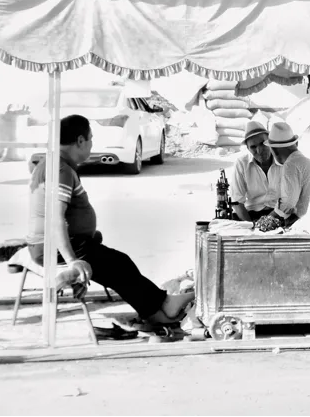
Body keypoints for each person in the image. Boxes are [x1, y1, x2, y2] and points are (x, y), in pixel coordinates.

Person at [26, 114, 194, 326]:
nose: (91, 144)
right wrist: (72, 261)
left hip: (57, 243)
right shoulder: (60, 170)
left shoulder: (55, 164)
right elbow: (55, 219)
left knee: (117, 264)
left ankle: (157, 309)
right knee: (119, 264)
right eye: (91, 139)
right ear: (80, 141)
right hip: (52, 246)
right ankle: (162, 308)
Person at [266, 122, 310, 224]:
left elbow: (287, 203)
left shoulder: (290, 165)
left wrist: (267, 220)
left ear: (275, 151)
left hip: (308, 225)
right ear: (296, 144)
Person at [231, 121, 282, 222]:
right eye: (253, 147)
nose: (259, 151)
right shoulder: (241, 164)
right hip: (251, 215)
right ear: (248, 148)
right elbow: (237, 202)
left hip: (280, 213)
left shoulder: (283, 160)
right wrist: (250, 226)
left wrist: (268, 220)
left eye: (263, 144)